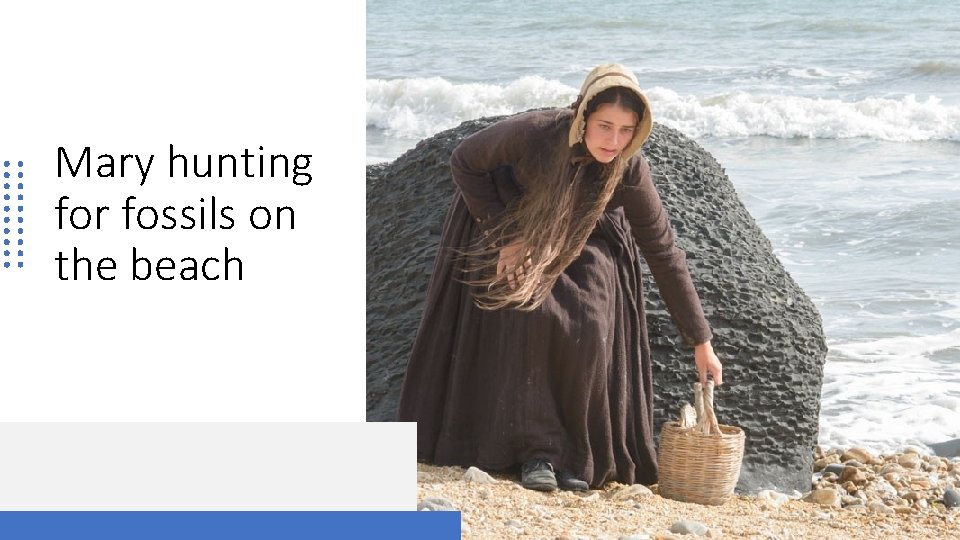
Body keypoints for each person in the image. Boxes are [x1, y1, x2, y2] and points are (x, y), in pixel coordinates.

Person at [396, 63, 723, 492]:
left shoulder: (628, 167)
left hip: (585, 234)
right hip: (510, 221)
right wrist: (506, 238)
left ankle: (576, 455)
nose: (614, 140)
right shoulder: (534, 133)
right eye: (605, 126)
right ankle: (537, 452)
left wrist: (701, 342)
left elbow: (662, 249)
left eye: (626, 130)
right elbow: (464, 161)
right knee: (527, 309)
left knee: (589, 319)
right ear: (583, 115)